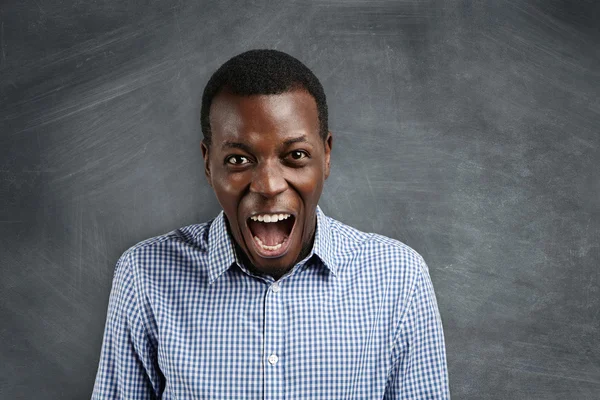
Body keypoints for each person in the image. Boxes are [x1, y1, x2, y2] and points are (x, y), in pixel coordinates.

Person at [91, 49, 450, 399]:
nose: (268, 185)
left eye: (295, 156)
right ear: (207, 163)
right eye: (238, 158)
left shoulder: (399, 278)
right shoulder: (144, 276)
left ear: (325, 156)